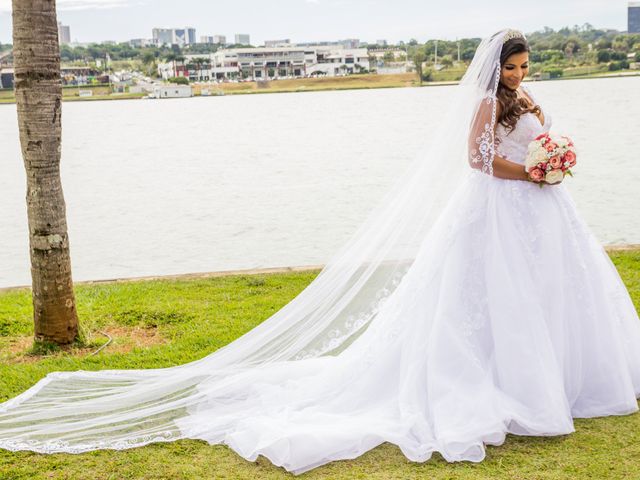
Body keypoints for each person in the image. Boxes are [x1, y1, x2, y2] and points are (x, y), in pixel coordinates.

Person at [1, 28, 639, 476]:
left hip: (545, 213)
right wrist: (528, 173)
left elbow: (539, 141)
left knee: (554, 292)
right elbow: (474, 161)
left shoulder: (529, 99)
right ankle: (505, 381)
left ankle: (564, 378)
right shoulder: (481, 102)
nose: (520, 76)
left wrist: (552, 159)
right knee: (489, 299)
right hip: (500, 210)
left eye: (526, 68)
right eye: (512, 68)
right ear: (493, 67)